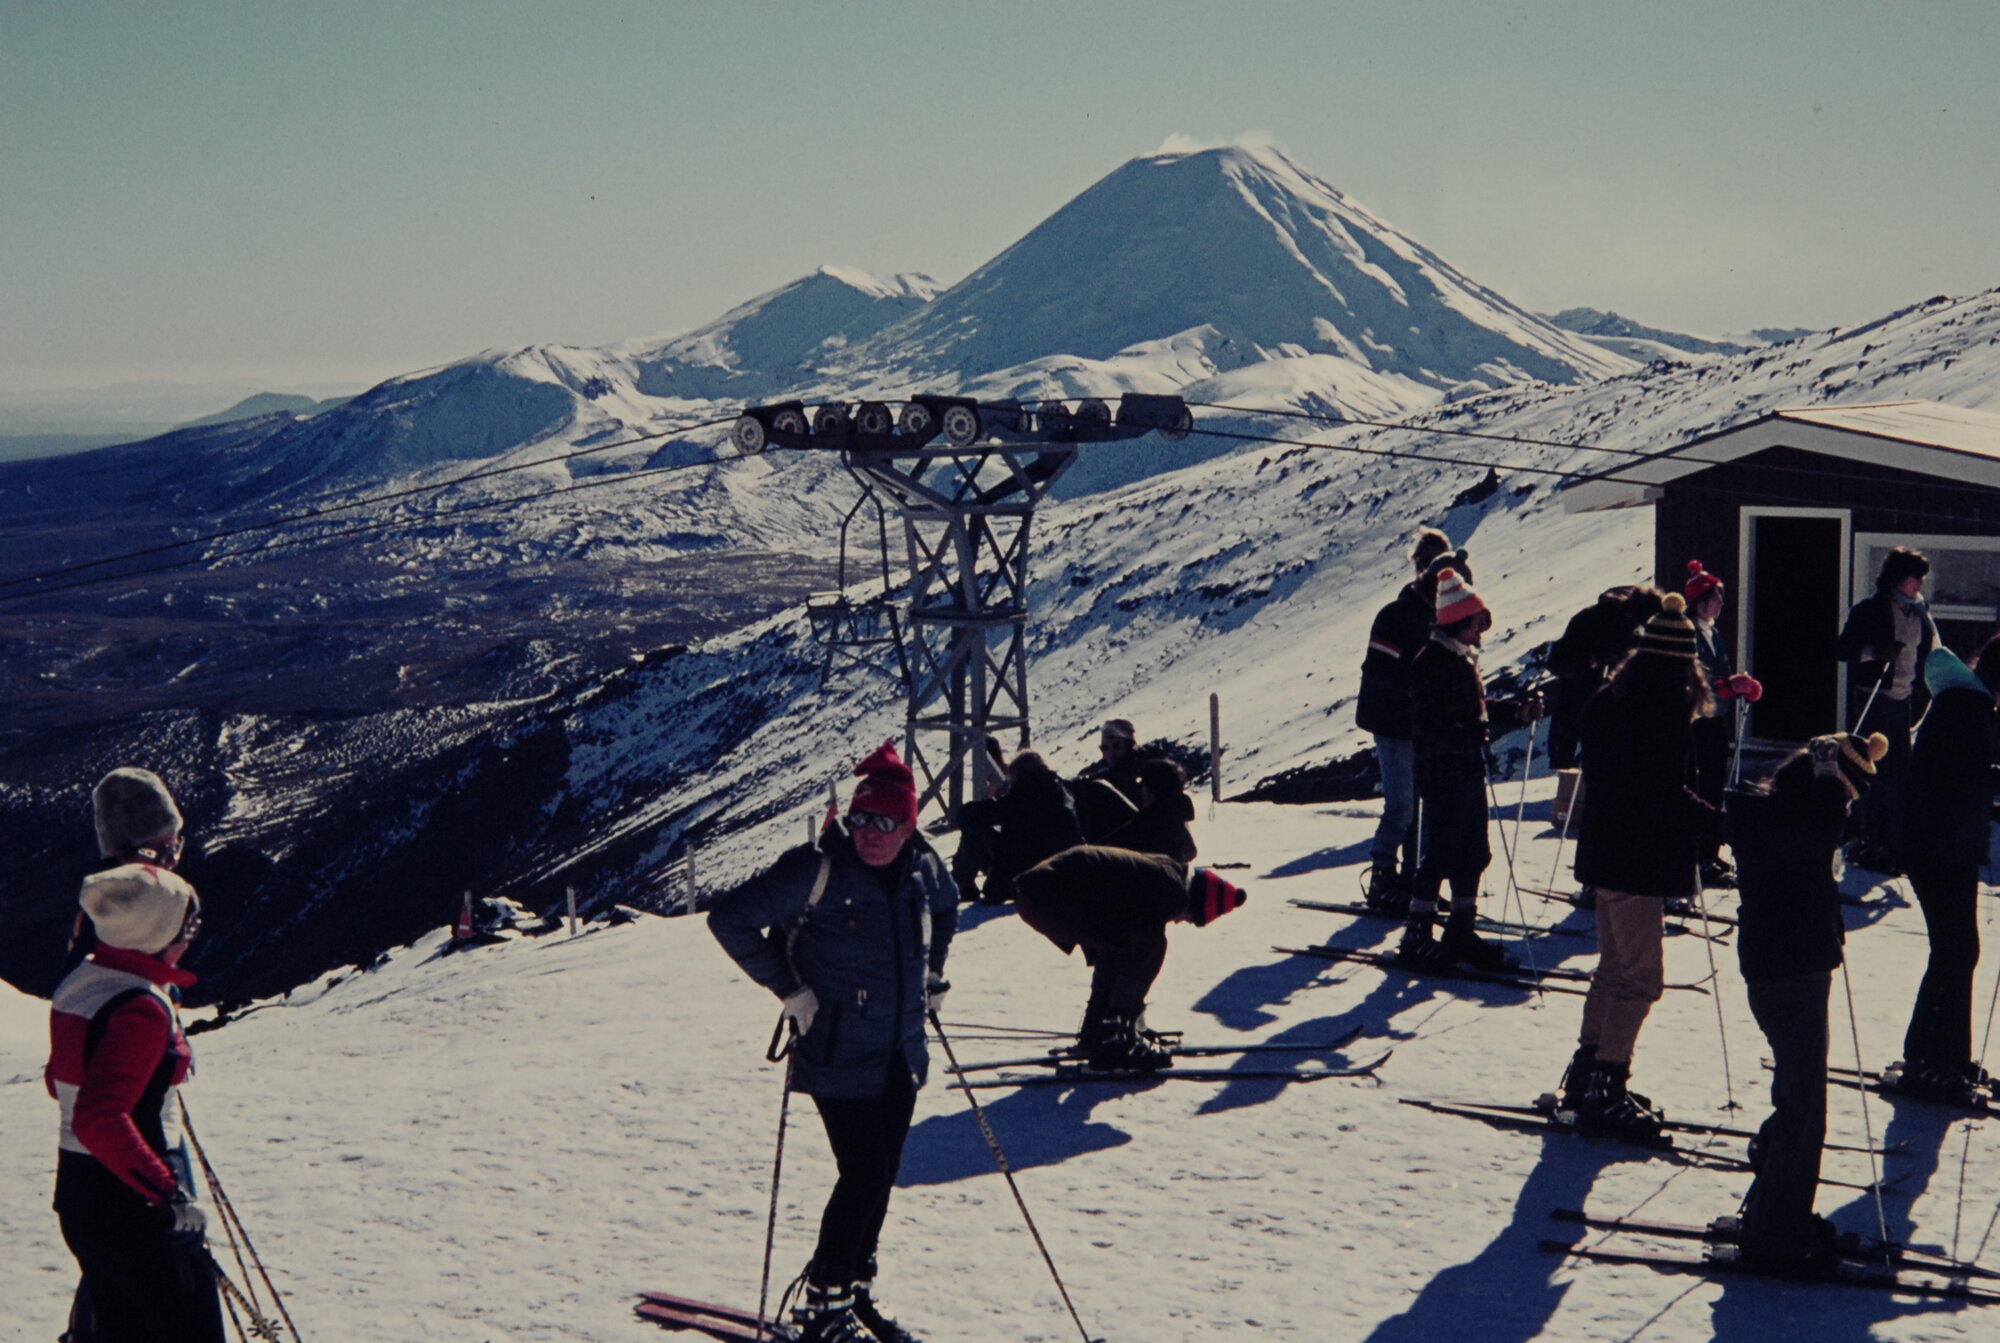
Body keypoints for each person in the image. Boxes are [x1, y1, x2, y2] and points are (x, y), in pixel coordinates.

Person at [707, 742, 958, 1343]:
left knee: (885, 1170)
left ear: (909, 826)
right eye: (862, 818)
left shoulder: (922, 865)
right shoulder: (813, 870)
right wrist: (790, 990)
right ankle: (823, 1306)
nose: (871, 833)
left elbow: (945, 908)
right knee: (865, 1172)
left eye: (886, 822)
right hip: (836, 1048)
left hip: (901, 1045)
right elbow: (728, 919)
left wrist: (932, 973)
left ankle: (853, 1289)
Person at [1554, 594, 1720, 1143]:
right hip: (1637, 857)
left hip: (1605, 851)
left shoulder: (1611, 698)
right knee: (1641, 978)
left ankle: (1588, 1070)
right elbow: (1662, 793)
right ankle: (1608, 1083)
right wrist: (1719, 824)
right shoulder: (1663, 710)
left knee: (1613, 967)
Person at [1727, 732, 1885, 1276]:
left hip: (1781, 969)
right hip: (1792, 971)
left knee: (1796, 1095)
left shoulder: (1767, 817)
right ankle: (1776, 1230)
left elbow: (1833, 826)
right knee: (1804, 1109)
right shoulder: (1799, 827)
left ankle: (1775, 1194)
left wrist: (1826, 780)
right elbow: (1823, 828)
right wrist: (1827, 780)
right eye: (1845, 795)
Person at [47, 862, 223, 1343]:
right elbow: (99, 1118)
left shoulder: (80, 980)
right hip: (134, 1200)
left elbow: (58, 1081)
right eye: (188, 927)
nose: (191, 938)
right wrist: (167, 1193)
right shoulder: (141, 1006)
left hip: (80, 1196)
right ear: (158, 934)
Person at [1397, 567, 1543, 971]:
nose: (1481, 633)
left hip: (1464, 767)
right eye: (1477, 625)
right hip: (1442, 770)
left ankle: (1460, 928)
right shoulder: (1432, 661)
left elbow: (1475, 713)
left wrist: (1514, 710)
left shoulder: (1459, 658)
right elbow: (1428, 722)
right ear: (1459, 622)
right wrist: (1465, 735)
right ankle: (1417, 934)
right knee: (1441, 851)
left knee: (1474, 851)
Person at [1887, 640, 2000, 1105]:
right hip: (1936, 845)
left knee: (1959, 950)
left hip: (1947, 843)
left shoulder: (1970, 705)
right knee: (1955, 949)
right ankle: (1928, 1058)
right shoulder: (1965, 707)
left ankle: (1947, 1053)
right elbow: (1968, 778)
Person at [1013, 845, 1245, 1071]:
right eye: (1190, 917)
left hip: (1034, 893)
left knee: (1123, 943)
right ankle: (1114, 1040)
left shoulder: (1162, 870)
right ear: (1194, 899)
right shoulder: (1172, 890)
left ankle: (1098, 1031)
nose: (1179, 920)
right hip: (1050, 896)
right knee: (1151, 944)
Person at [1355, 529, 1458, 912]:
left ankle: (1414, 878)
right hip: (1395, 722)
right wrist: (1419, 688)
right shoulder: (1397, 615)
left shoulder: (1441, 615)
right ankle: (1384, 875)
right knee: (1402, 804)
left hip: (1421, 722)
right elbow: (1379, 669)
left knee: (1421, 804)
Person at [1836, 547, 1939, 875]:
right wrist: (1875, 651)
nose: (1919, 584)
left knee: (1900, 774)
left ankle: (1894, 842)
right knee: (1871, 771)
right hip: (1875, 698)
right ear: (1898, 578)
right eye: (1915, 578)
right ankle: (1869, 838)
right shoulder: (1870, 610)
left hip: (1904, 701)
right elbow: (1843, 649)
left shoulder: (1920, 611)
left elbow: (1931, 648)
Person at [62, 768, 188, 978]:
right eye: (158, 852)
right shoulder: (104, 915)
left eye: (175, 848)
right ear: (121, 852)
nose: (172, 862)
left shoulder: (154, 895)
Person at [1683, 560, 1763, 889]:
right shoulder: (1689, 633)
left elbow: (1719, 671)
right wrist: (1730, 686)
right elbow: (1695, 678)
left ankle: (1710, 854)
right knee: (1698, 787)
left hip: (1715, 719)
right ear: (1702, 600)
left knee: (1715, 785)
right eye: (1716, 597)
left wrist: (1735, 686)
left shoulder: (1711, 631)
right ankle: (1694, 856)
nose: (1721, 604)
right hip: (1694, 722)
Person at [1545, 585, 1667, 772]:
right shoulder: (1591, 620)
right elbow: (1556, 663)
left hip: (1613, 718)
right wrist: (1590, 662)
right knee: (1572, 781)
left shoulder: (1633, 633)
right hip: (1577, 709)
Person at [951, 749, 1083, 904]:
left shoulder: (1024, 791)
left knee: (975, 829)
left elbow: (973, 813)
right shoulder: (1062, 792)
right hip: (1063, 874)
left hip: (1024, 878)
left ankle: (961, 886)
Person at [1100, 758, 1198, 865]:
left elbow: (1111, 849)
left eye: (1143, 783)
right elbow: (1190, 851)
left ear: (1151, 787)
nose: (1140, 788)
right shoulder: (1177, 815)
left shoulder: (1146, 822)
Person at [1072, 718, 1146, 842]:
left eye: (1116, 746)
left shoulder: (1147, 771)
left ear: (1129, 745)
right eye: (1105, 748)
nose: (1110, 752)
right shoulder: (1100, 774)